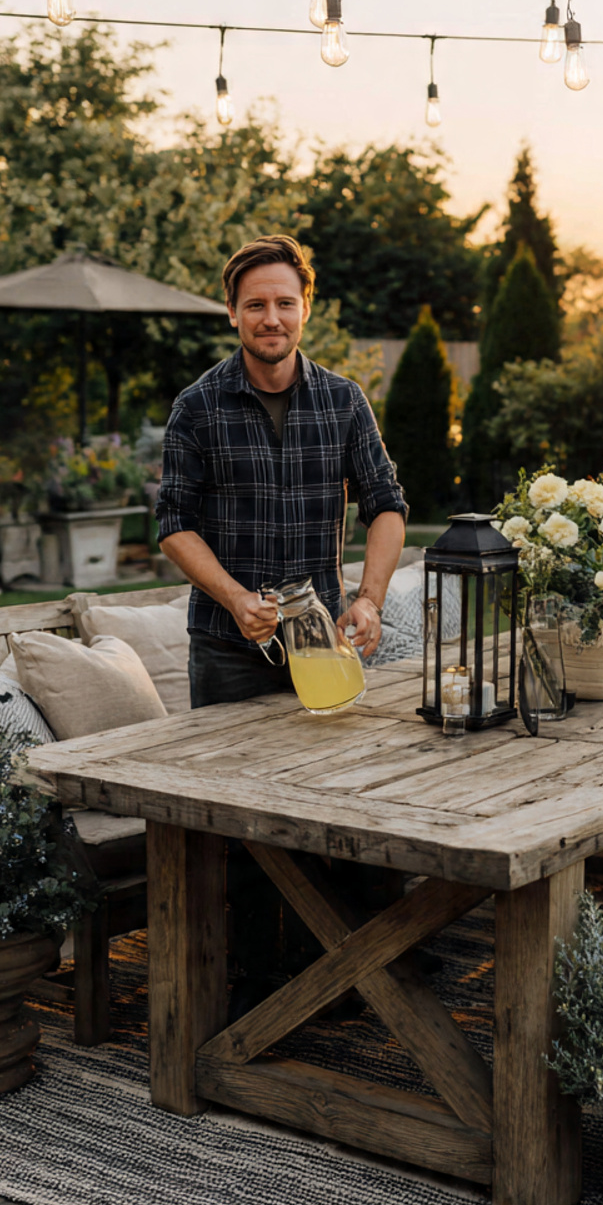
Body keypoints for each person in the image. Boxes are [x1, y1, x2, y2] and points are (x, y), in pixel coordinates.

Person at [156, 234, 408, 1011]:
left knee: (336, 811)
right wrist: (234, 596)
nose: (272, 317)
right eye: (256, 304)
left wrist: (366, 598)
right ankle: (250, 988)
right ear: (234, 313)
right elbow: (173, 524)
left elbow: (388, 505)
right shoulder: (197, 406)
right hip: (228, 651)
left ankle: (348, 971)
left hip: (319, 648)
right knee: (239, 831)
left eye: (285, 303)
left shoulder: (343, 400)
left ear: (306, 309)